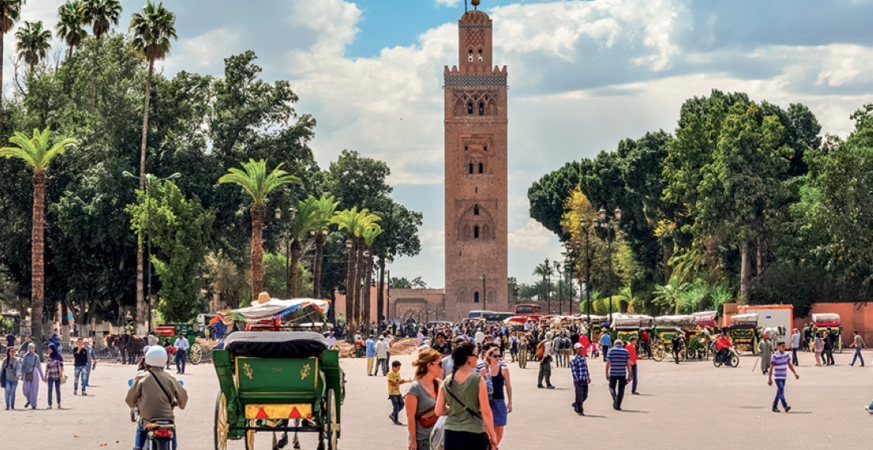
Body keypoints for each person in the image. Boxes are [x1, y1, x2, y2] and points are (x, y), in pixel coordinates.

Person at [435, 342, 498, 450]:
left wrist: (455, 410)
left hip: (451, 433)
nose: (477, 357)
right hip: (473, 433)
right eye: (476, 354)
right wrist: (492, 435)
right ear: (468, 358)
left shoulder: (447, 381)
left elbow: (439, 411)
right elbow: (486, 411)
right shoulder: (478, 380)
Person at [126, 346, 188, 450]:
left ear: (147, 361)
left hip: (147, 419)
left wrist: (135, 404)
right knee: (172, 432)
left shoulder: (141, 378)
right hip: (167, 420)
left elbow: (130, 399)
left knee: (141, 429)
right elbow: (183, 397)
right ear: (164, 361)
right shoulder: (170, 378)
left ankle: (138, 447)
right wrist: (179, 404)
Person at [405, 349, 442, 450]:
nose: (442, 367)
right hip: (422, 441)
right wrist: (413, 441)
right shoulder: (414, 389)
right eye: (440, 364)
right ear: (429, 366)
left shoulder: (440, 384)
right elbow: (410, 417)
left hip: (440, 439)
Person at [479, 345, 512, 446]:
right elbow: (478, 387)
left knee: (499, 430)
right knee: (488, 430)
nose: (498, 358)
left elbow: (508, 386)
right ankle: (490, 446)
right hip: (487, 402)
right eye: (495, 356)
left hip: (500, 401)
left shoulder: (504, 370)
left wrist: (510, 402)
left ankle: (494, 447)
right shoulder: (484, 370)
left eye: (499, 356)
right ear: (489, 356)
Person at [768, 341, 799, 413]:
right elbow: (771, 367)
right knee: (781, 391)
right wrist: (770, 379)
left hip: (784, 376)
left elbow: (789, 365)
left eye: (784, 346)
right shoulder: (775, 356)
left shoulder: (786, 355)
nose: (784, 348)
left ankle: (774, 406)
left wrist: (795, 373)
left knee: (779, 391)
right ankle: (785, 406)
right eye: (782, 346)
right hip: (777, 377)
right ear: (778, 347)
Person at [606, 339, 632, 410]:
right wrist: (630, 375)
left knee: (611, 387)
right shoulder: (625, 351)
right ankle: (618, 405)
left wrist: (607, 373)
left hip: (613, 372)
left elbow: (608, 362)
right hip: (622, 373)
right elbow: (628, 364)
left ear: (614, 344)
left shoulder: (611, 351)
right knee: (621, 389)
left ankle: (614, 397)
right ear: (622, 344)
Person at [20, 343, 43, 410]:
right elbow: (23, 366)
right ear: (29, 348)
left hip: (35, 373)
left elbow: (39, 366)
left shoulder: (36, 356)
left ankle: (33, 404)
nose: (33, 349)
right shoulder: (26, 356)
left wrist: (42, 376)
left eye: (34, 348)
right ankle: (29, 400)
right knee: (27, 390)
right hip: (27, 373)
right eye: (32, 348)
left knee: (34, 389)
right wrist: (22, 375)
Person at [570, 343, 591, 416]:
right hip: (578, 380)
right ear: (575, 349)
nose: (581, 349)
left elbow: (586, 368)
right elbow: (574, 370)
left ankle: (576, 404)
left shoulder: (583, 358)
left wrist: (588, 376)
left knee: (585, 395)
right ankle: (579, 409)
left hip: (584, 379)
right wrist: (576, 379)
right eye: (579, 348)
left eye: (581, 348)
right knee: (579, 395)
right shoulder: (574, 360)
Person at [388, 360, 410, 425]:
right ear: (393, 367)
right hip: (392, 393)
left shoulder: (397, 373)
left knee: (402, 404)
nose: (399, 369)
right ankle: (396, 420)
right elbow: (391, 383)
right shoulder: (390, 373)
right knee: (396, 406)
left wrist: (405, 380)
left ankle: (392, 414)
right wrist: (400, 382)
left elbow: (400, 380)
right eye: (398, 368)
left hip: (398, 392)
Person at [45, 343, 64, 410]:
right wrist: (45, 376)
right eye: (48, 348)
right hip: (50, 375)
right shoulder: (48, 356)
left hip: (57, 375)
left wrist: (61, 372)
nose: (49, 350)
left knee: (57, 390)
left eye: (50, 348)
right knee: (50, 390)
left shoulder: (58, 356)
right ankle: (49, 404)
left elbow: (61, 365)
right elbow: (47, 367)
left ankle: (59, 403)